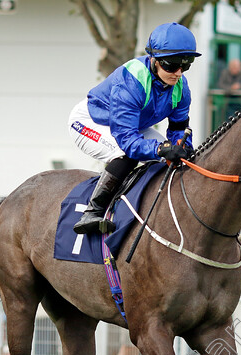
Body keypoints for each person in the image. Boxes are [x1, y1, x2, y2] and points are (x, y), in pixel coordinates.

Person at [68, 22, 199, 235]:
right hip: (91, 122)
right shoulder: (131, 81)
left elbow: (178, 129)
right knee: (125, 155)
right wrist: (159, 148)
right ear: (154, 60)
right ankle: (93, 211)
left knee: (173, 160)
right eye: (171, 65)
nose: (178, 73)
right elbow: (127, 141)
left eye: (185, 66)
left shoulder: (181, 89)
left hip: (132, 125)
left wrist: (180, 148)